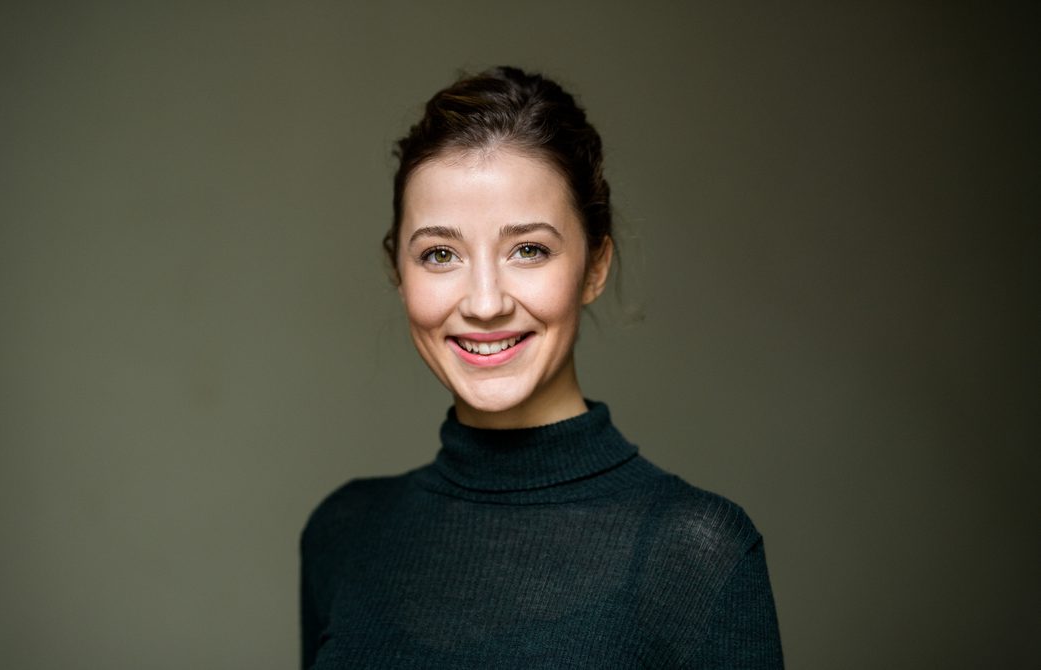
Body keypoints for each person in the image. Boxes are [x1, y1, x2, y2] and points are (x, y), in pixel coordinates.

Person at [300, 66, 783, 669]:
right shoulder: (343, 533)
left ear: (595, 266)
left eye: (528, 249)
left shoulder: (694, 552)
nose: (484, 303)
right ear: (399, 273)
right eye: (440, 254)